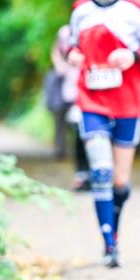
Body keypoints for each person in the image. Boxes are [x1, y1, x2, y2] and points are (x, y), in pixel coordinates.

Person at [68, 0, 140, 268]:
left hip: (128, 99)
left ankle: (115, 224)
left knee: (120, 180)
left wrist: (134, 56)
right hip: (91, 98)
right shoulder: (81, 9)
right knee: (100, 171)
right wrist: (73, 55)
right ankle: (108, 243)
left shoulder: (135, 7)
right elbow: (71, 43)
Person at [48, 25, 90, 190]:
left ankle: (90, 173)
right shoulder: (65, 32)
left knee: (87, 132)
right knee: (76, 130)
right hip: (70, 90)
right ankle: (81, 173)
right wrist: (60, 67)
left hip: (90, 89)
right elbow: (56, 51)